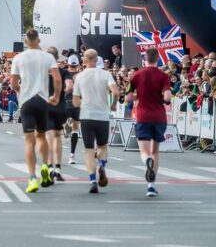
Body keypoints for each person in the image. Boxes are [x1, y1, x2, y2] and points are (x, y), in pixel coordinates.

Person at [10, 29, 62, 194]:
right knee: (41, 136)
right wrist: (56, 96)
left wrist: (21, 90)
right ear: (38, 41)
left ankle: (32, 178)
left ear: (26, 42)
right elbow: (58, 78)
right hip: (42, 100)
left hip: (26, 101)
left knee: (28, 141)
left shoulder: (18, 58)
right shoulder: (48, 57)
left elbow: (13, 83)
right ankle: (45, 166)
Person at [72, 49, 119, 193]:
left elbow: (75, 101)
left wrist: (81, 104)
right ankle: (102, 166)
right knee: (103, 146)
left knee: (88, 150)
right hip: (102, 116)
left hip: (86, 116)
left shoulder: (79, 76)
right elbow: (116, 92)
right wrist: (113, 104)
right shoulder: (105, 74)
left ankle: (92, 179)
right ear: (96, 59)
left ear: (85, 60)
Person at [127, 47, 172, 197]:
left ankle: (146, 161)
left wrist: (137, 95)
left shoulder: (136, 75)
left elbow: (128, 97)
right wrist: (161, 98)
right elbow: (167, 97)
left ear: (144, 59)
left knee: (144, 151)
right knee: (155, 151)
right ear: (158, 59)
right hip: (159, 117)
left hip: (143, 116)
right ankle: (151, 186)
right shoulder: (163, 75)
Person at [45, 47, 73, 182]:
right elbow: (70, 86)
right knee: (57, 137)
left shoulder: (42, 72)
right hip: (60, 106)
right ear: (57, 58)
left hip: (46, 106)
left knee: (48, 137)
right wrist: (62, 92)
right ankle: (58, 168)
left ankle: (50, 166)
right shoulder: (63, 72)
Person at [65, 55, 82, 164]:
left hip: (65, 102)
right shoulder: (81, 75)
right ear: (78, 64)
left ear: (68, 63)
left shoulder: (64, 74)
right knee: (75, 130)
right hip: (77, 104)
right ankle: (72, 156)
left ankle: (66, 126)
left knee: (60, 128)